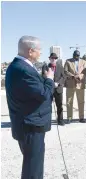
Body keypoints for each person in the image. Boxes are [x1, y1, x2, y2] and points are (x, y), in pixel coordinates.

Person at [5, 35, 54, 179]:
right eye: (39, 50)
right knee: (33, 169)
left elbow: (34, 92)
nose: (41, 53)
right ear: (31, 51)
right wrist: (49, 79)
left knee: (32, 165)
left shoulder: (19, 66)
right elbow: (44, 94)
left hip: (27, 124)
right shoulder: (23, 70)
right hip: (30, 126)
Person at [64, 50, 86, 123]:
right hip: (70, 84)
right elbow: (65, 71)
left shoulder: (84, 62)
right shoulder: (68, 61)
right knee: (69, 102)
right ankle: (69, 117)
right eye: (75, 55)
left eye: (78, 55)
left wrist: (79, 76)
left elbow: (85, 71)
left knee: (81, 102)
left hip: (80, 84)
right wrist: (73, 76)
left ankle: (81, 117)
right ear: (73, 55)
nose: (77, 57)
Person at [48, 53, 65, 126]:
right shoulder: (46, 67)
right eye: (52, 58)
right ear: (49, 59)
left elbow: (63, 77)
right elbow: (43, 76)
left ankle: (60, 120)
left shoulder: (60, 67)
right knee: (47, 106)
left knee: (59, 106)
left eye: (55, 58)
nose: (53, 59)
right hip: (49, 89)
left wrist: (58, 83)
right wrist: (51, 83)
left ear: (56, 59)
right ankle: (47, 120)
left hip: (58, 89)